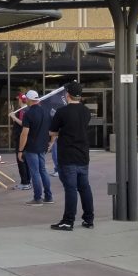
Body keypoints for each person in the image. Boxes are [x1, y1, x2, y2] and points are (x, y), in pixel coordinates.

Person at [48, 81, 94, 231]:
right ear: (80, 96)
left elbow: (52, 132)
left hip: (68, 155)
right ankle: (89, 219)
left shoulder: (62, 112)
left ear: (67, 95)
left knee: (71, 188)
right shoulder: (86, 111)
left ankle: (68, 221)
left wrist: (62, 132)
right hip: (83, 155)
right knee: (84, 187)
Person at [18, 89, 54, 206]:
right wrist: (50, 143)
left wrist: (20, 150)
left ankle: (37, 198)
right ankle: (48, 196)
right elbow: (51, 130)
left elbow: (24, 134)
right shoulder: (46, 111)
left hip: (32, 147)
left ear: (28, 99)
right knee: (43, 170)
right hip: (42, 146)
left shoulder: (28, 113)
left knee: (35, 173)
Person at [10, 94, 32, 189]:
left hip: (21, 138)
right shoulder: (26, 109)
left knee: (21, 160)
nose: (17, 101)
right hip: (23, 138)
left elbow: (23, 124)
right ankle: (27, 181)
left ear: (21, 100)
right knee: (25, 160)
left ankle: (25, 182)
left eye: (18, 99)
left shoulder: (23, 110)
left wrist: (13, 117)